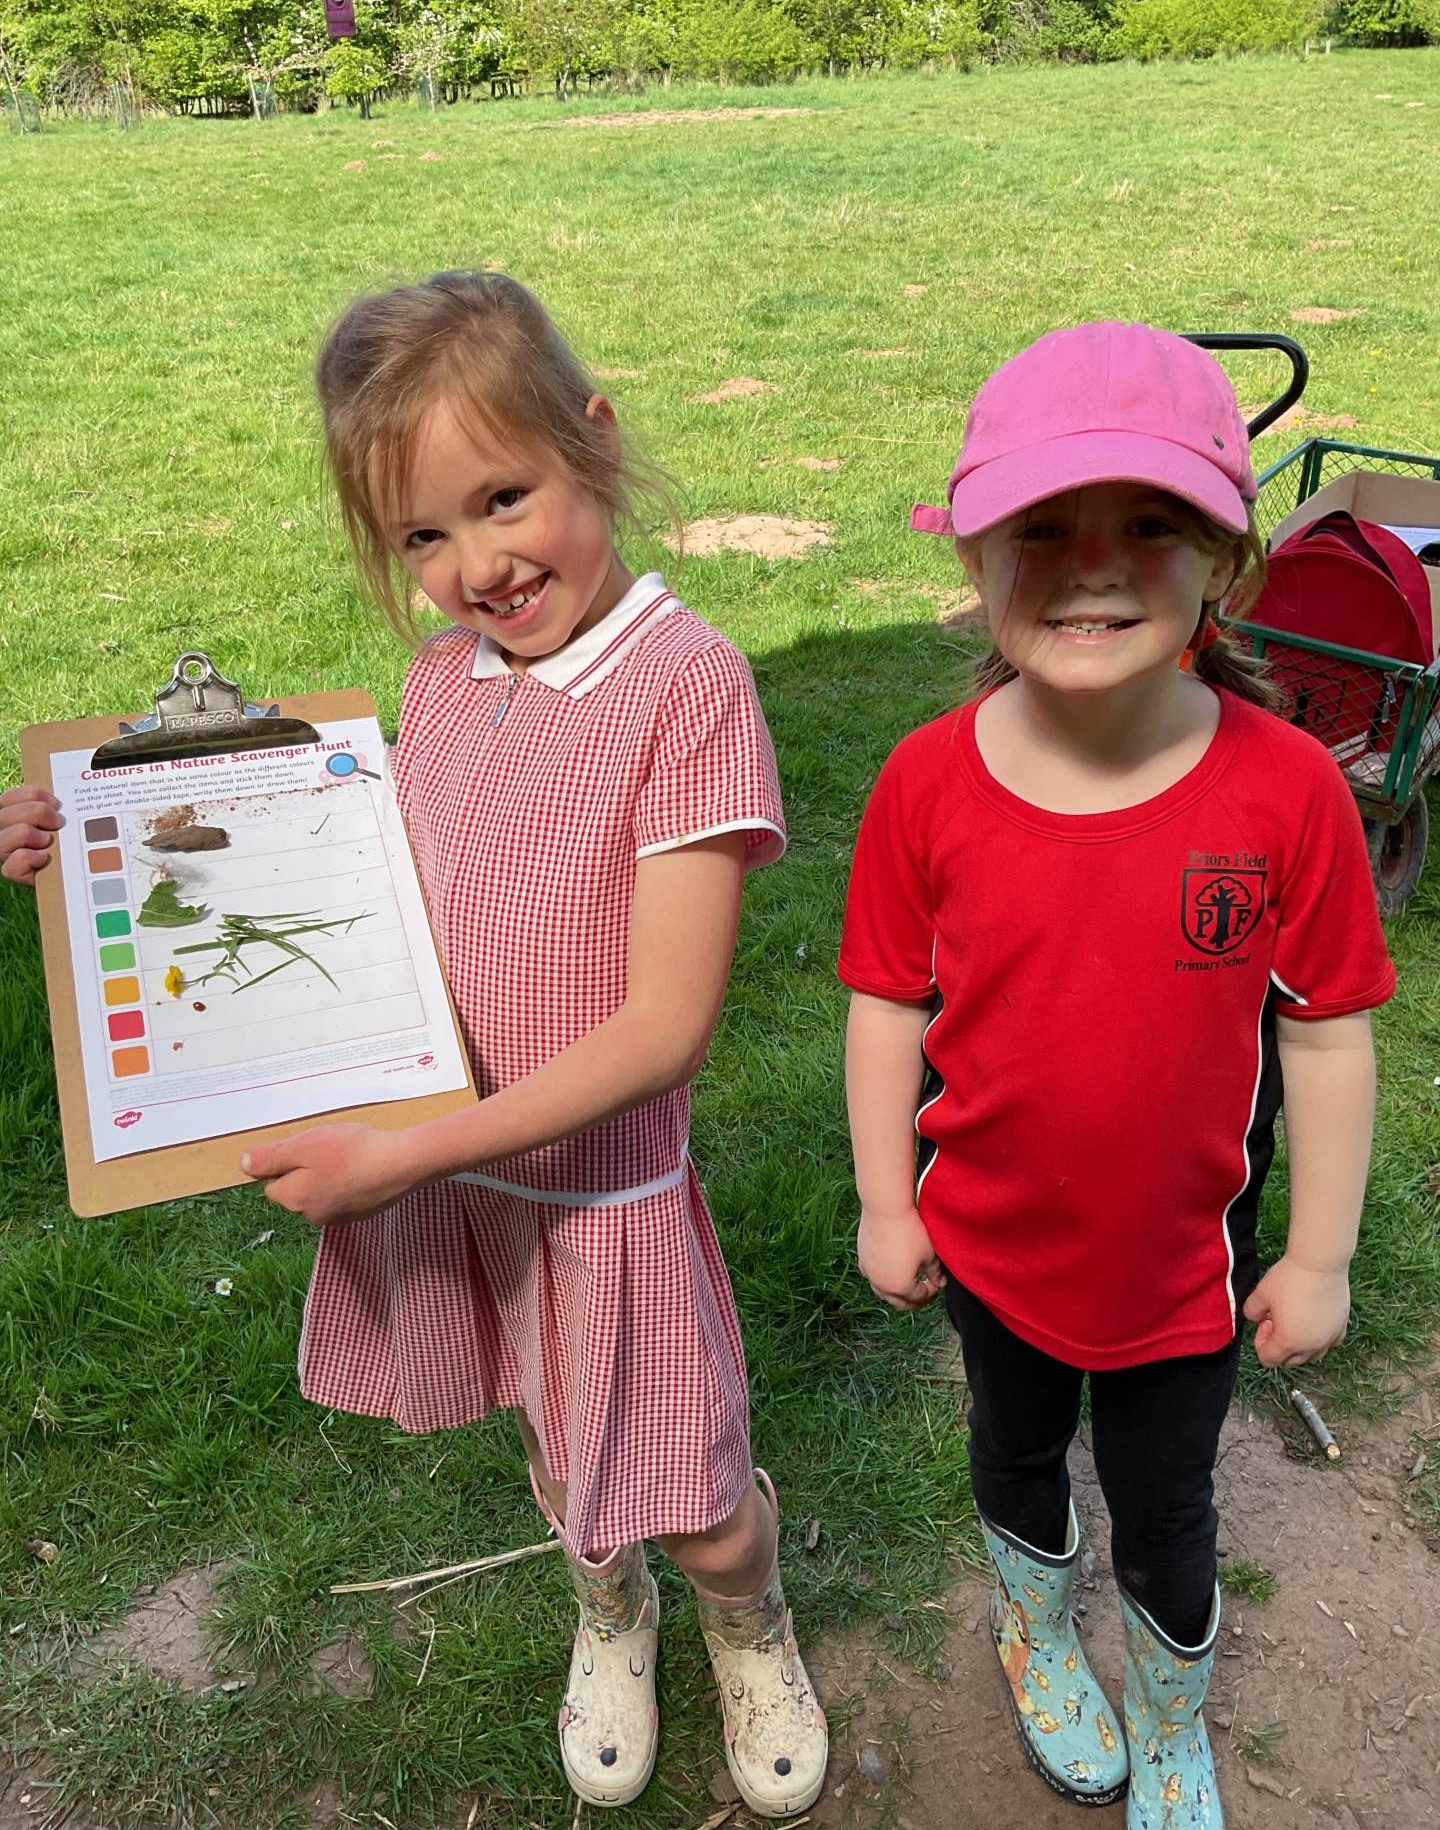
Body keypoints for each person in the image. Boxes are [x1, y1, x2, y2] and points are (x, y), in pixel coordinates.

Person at [0, 271, 827, 1819]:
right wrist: (97, 833)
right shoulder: (442, 679)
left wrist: (403, 1157)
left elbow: (663, 1029)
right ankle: (608, 1606)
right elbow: (347, 872)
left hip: (606, 1203)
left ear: (595, 439)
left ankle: (743, 1613)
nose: (476, 567)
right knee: (555, 1454)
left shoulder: (686, 687)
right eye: (423, 538)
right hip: (466, 1186)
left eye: (503, 499)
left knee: (697, 1491)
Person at [838, 322, 1394, 1828]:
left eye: (1149, 523)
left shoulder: (1289, 793)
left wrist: (1320, 1256)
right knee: (1013, 1453)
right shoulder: (925, 783)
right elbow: (886, 1002)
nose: (1092, 567)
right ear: (973, 556)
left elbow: (1326, 1031)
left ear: (1227, 559)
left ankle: (1170, 1713)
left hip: (1180, 1276)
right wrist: (889, 1202)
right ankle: (1033, 1628)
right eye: (1042, 527)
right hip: (992, 1248)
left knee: (1169, 1506)